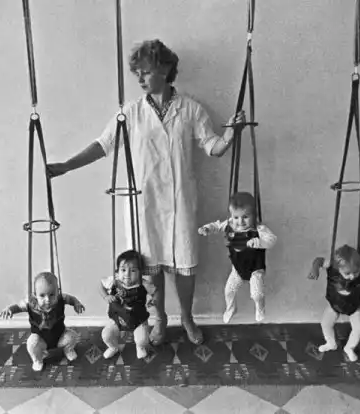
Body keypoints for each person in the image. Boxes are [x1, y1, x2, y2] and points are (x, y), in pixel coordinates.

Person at [47, 39, 245, 345]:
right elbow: (103, 145)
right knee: (150, 269)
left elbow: (214, 147)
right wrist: (66, 166)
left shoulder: (191, 110)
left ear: (165, 69)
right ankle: (159, 319)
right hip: (144, 204)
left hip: (180, 202)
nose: (139, 78)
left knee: (185, 265)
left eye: (145, 71)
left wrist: (231, 133)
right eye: (136, 73)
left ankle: (187, 318)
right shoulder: (131, 112)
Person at [199, 192, 277, 323]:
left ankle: (260, 308)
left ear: (254, 215)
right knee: (228, 291)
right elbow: (217, 226)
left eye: (245, 217)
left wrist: (260, 242)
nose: (240, 222)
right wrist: (207, 228)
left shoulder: (259, 229)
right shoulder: (230, 225)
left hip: (255, 269)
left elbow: (272, 240)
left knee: (257, 294)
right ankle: (231, 308)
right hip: (238, 269)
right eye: (236, 217)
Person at [0, 272, 85, 371]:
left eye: (52, 294)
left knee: (72, 336)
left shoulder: (61, 298)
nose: (47, 299)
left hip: (60, 336)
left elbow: (71, 299)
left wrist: (76, 303)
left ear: (58, 292)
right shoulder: (30, 303)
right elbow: (18, 306)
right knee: (31, 343)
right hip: (41, 339)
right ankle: (37, 360)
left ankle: (68, 349)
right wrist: (10, 309)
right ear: (35, 295)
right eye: (42, 295)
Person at [100, 250, 149, 359]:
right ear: (117, 271)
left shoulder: (143, 283)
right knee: (106, 335)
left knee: (142, 340)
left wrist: (153, 301)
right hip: (118, 319)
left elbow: (156, 292)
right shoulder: (114, 281)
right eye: (123, 270)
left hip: (138, 320)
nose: (127, 274)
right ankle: (113, 347)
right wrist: (106, 296)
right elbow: (99, 285)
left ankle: (140, 347)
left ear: (140, 272)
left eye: (133, 270)